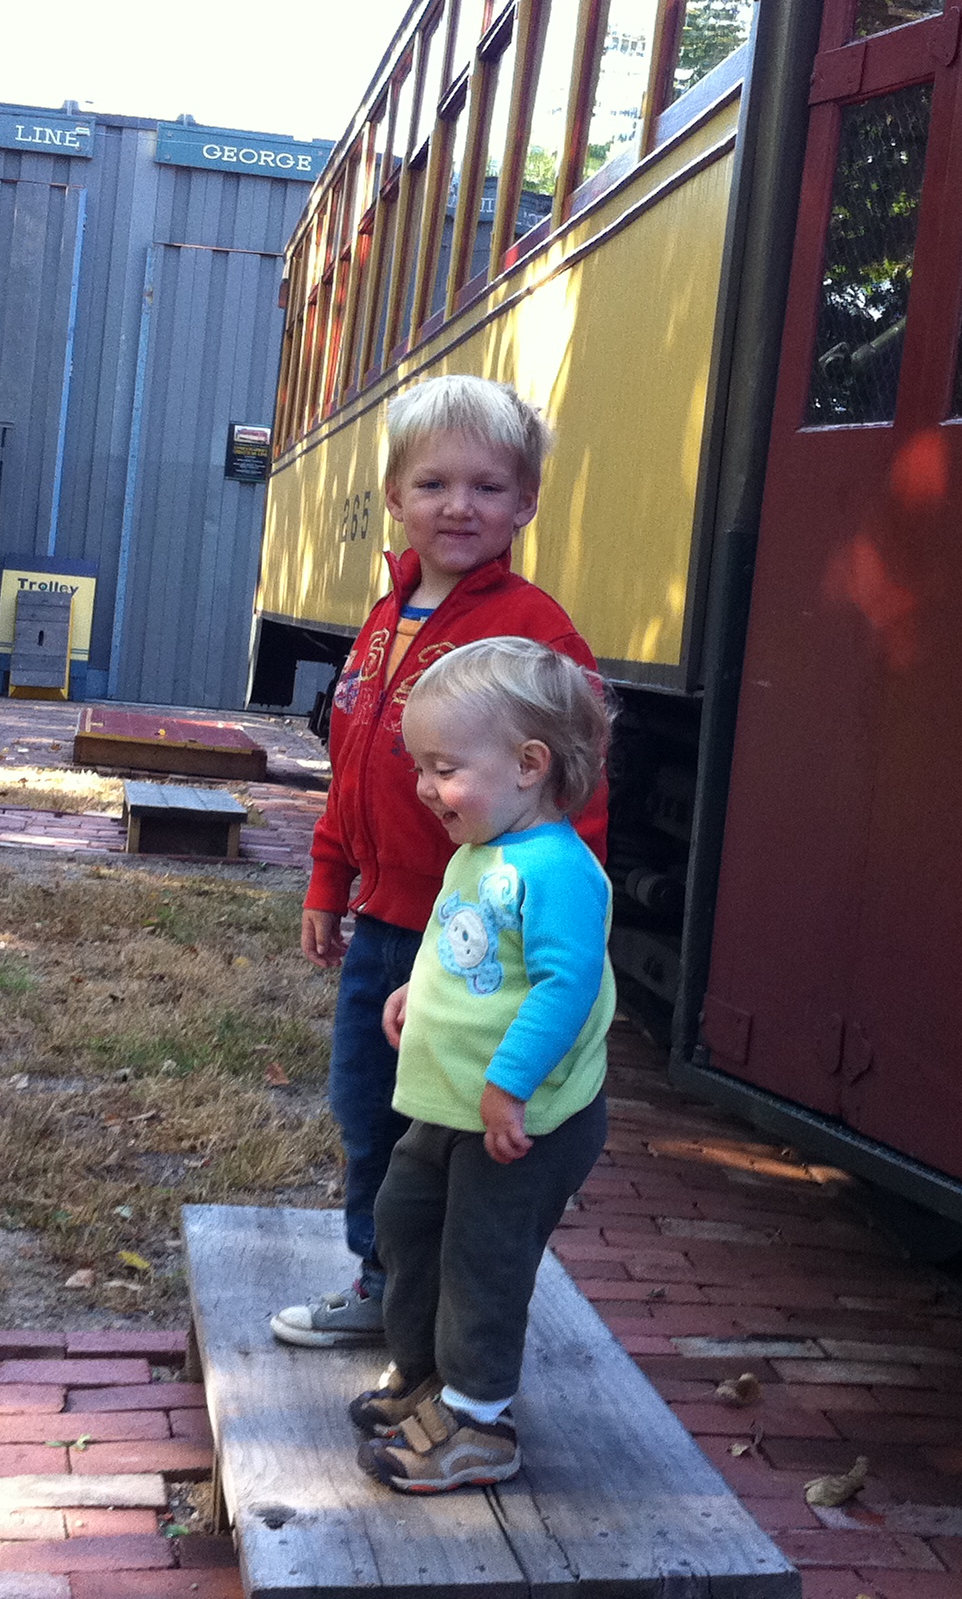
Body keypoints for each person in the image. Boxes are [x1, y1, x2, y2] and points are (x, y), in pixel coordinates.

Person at [270, 377, 606, 1350]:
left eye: (489, 487)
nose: (460, 506)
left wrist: (559, 924)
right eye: (434, 483)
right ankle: (385, 1283)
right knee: (368, 1107)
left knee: (446, 1127)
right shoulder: (386, 619)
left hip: (476, 939)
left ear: (526, 502)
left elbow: (580, 797)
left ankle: (436, 1306)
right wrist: (330, 877)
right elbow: (352, 765)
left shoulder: (537, 633)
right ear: (394, 496)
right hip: (385, 924)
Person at [348, 636, 615, 1492]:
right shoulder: (482, 851)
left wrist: (510, 1086)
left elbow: (565, 987)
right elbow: (473, 956)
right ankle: (428, 1375)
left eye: (446, 768)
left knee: (482, 1257)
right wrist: (417, 995)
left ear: (530, 765)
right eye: (421, 767)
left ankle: (479, 1420)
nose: (426, 788)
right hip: (457, 1102)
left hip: (520, 1116)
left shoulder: (559, 870)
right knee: (407, 1218)